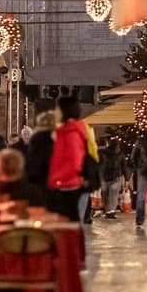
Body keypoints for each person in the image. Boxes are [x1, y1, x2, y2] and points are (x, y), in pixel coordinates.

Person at [46, 95, 90, 224]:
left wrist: (55, 179)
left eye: (57, 109)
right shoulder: (66, 131)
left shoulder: (71, 133)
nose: (55, 112)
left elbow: (75, 162)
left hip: (68, 188)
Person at [25, 108, 59, 188]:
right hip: (55, 178)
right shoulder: (56, 137)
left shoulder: (37, 138)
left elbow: (34, 159)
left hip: (40, 179)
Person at [98, 138, 127, 220]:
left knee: (105, 194)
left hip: (105, 176)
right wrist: (127, 179)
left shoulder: (102, 153)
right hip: (116, 176)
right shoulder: (121, 154)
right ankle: (111, 211)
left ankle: (108, 211)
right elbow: (124, 167)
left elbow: (99, 164)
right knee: (113, 194)